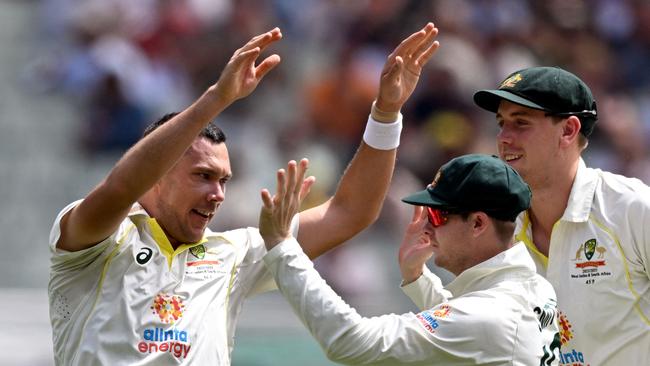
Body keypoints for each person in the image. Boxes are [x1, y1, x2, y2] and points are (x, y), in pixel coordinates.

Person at [47, 24, 440, 365]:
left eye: (224, 180)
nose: (217, 195)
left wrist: (386, 114)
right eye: (203, 176)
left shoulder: (233, 254)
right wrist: (216, 99)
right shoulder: (97, 239)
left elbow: (351, 212)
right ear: (157, 175)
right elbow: (122, 187)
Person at [402, 66, 650, 366]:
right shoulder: (500, 221)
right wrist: (416, 276)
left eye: (520, 123)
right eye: (501, 123)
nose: (504, 138)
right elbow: (476, 324)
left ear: (569, 130)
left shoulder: (632, 209)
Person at [260, 154, 560, 365]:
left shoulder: (491, 317)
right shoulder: (536, 288)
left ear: (478, 224)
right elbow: (465, 331)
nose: (426, 226)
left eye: (438, 214)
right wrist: (416, 276)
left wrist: (283, 246)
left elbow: (351, 342)